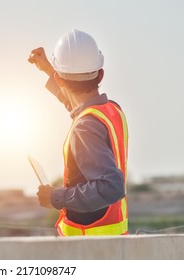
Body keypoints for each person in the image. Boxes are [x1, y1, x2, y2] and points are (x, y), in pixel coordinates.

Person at [28, 29, 129, 236]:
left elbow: (111, 187)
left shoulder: (85, 126)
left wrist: (55, 197)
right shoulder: (111, 111)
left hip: (89, 251)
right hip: (112, 243)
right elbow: (76, 105)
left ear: (61, 80)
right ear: (101, 73)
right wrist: (50, 71)